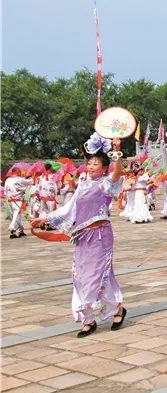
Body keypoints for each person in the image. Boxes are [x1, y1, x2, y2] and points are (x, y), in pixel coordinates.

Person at [33, 133, 127, 337]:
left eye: (96, 164)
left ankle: (114, 309)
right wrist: (45, 219)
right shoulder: (82, 185)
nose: (91, 166)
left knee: (98, 275)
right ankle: (89, 318)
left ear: (104, 168)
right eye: (90, 163)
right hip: (83, 237)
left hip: (101, 235)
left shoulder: (105, 184)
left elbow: (118, 173)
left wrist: (116, 153)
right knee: (81, 275)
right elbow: (69, 208)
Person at [5, 169, 33, 238]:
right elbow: (30, 182)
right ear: (16, 172)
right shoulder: (19, 179)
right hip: (18, 200)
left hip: (10, 201)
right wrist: (29, 176)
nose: (20, 173)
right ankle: (12, 227)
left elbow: (6, 191)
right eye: (19, 172)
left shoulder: (7, 180)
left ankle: (20, 230)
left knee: (17, 215)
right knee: (16, 215)